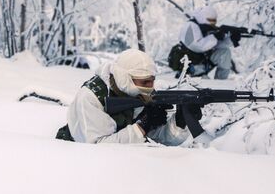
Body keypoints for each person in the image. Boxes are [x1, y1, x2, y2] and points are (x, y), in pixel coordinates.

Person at [56, 48, 201, 144]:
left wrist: (180, 122)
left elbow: (160, 138)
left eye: (152, 81)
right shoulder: (90, 98)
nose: (150, 88)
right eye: (145, 82)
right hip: (78, 161)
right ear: (124, 78)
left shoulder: (136, 92)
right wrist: (143, 125)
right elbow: (98, 149)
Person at [168, 5, 240, 80]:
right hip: (189, 66)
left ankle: (221, 82)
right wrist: (215, 36)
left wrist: (230, 39)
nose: (212, 23)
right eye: (210, 20)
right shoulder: (190, 26)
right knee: (205, 84)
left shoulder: (205, 27)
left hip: (202, 61)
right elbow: (197, 46)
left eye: (214, 21)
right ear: (203, 18)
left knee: (225, 52)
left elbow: (215, 45)